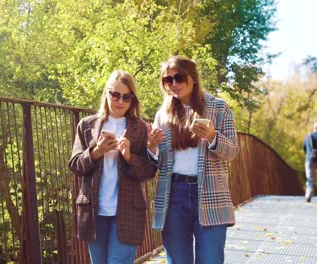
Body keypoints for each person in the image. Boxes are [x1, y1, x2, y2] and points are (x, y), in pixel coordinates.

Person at [147, 55, 239, 264]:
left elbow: (233, 152)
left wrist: (212, 136)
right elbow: (157, 163)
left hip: (210, 193)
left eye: (178, 78)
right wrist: (151, 146)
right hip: (174, 195)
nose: (173, 84)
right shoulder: (163, 114)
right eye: (167, 80)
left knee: (210, 260)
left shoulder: (219, 108)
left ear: (193, 78)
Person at [68, 70, 158, 263]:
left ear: (132, 100)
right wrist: (96, 152)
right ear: (106, 93)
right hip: (93, 212)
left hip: (128, 211)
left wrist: (128, 156)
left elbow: (149, 171)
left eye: (126, 97)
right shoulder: (87, 125)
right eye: (115, 95)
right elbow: (75, 165)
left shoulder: (141, 128)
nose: (120, 101)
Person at [302, 122, 317, 202]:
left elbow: (304, 147)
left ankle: (308, 195)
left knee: (310, 178)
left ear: (314, 128)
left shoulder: (309, 137)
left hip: (310, 160)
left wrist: (308, 155)